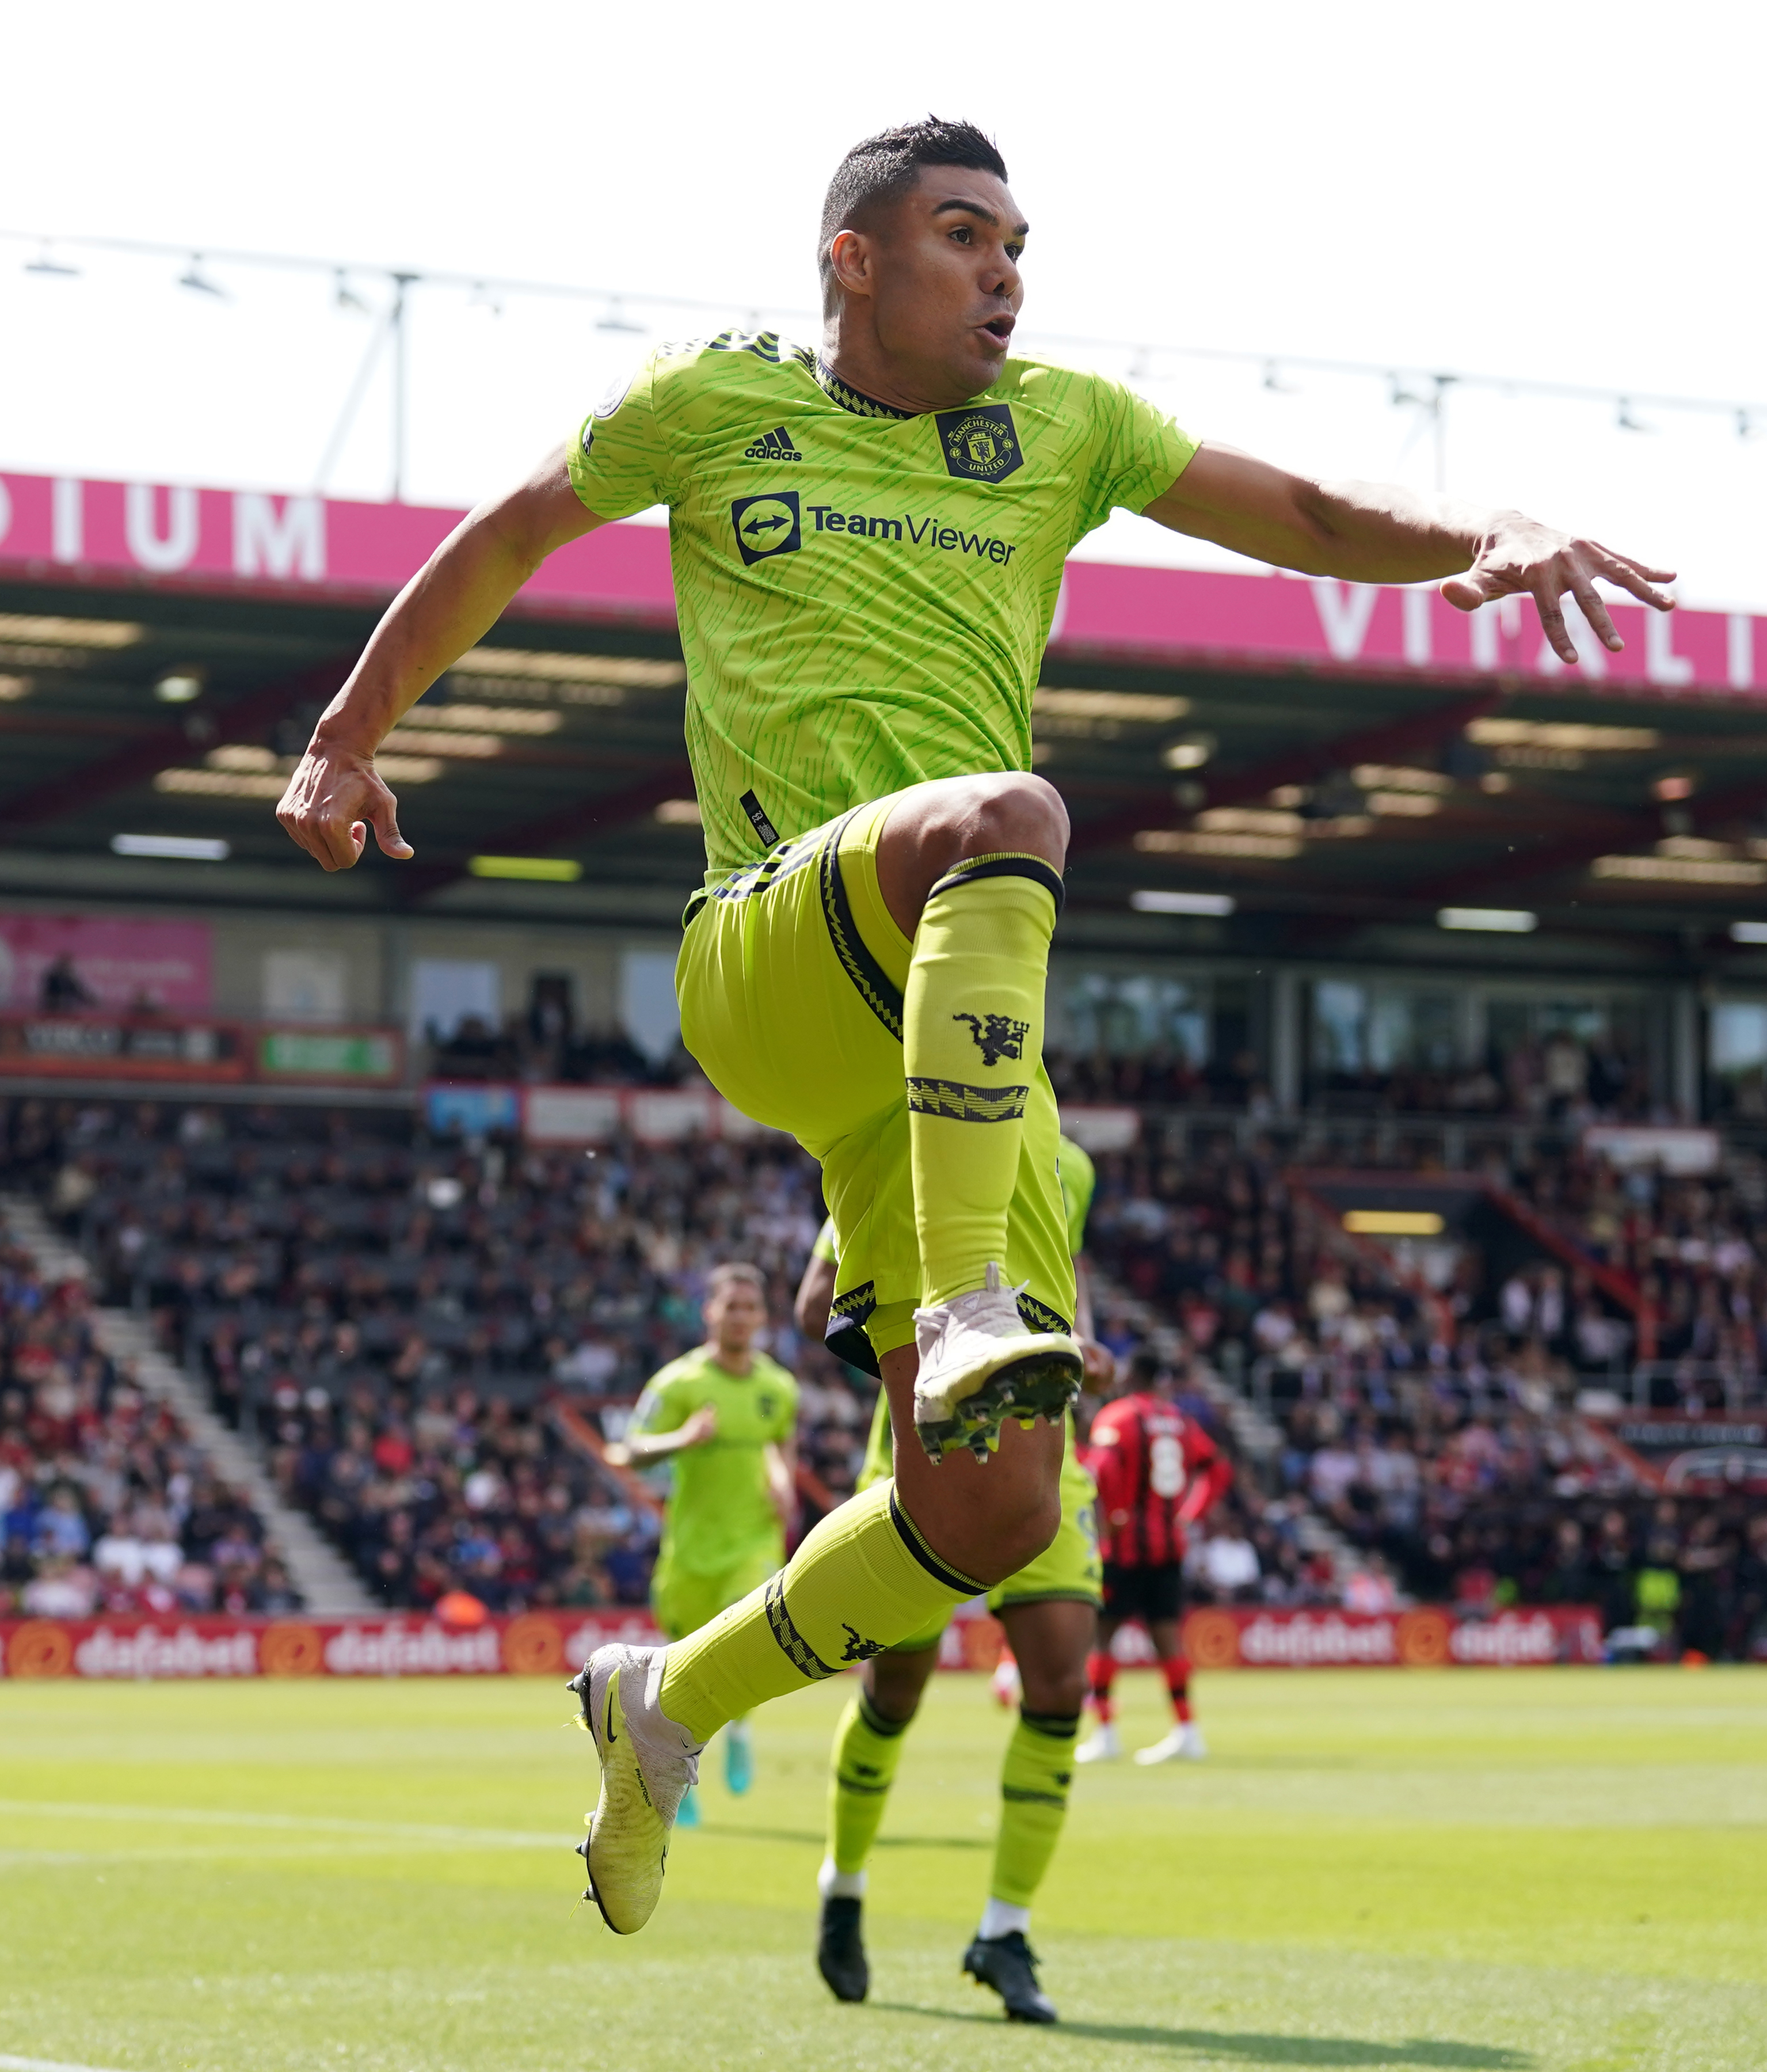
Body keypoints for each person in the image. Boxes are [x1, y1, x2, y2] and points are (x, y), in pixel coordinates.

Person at [273, 114, 1673, 1936]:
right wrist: (346, 727)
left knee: (998, 1514)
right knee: (1004, 812)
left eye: (1018, 244)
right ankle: (949, 1303)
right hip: (766, 945)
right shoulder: (709, 398)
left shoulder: (1066, 430)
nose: (1004, 272)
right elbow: (507, 532)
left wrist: (1485, 523)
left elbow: (1311, 519)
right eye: (961, 236)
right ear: (851, 256)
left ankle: (664, 1700)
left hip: (936, 1038)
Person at [795, 1133, 1106, 2022]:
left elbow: (1056, 1276)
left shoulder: (1071, 1165)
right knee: (894, 1691)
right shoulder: (895, 1137)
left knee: (1058, 1686)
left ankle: (1003, 1931)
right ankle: (843, 1884)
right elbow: (814, 1301)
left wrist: (1070, 1344)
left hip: (1044, 1447)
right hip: (920, 1446)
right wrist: (934, 1351)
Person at [603, 1263, 798, 1823]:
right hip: (691, 1549)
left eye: (750, 1306)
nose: (740, 1316)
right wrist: (683, 1438)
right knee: (680, 1672)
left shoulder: (777, 1387)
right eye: (729, 1306)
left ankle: (740, 1729)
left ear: (762, 1316)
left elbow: (782, 1448)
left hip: (752, 1541)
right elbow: (628, 1450)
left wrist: (783, 1480)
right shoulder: (678, 1383)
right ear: (709, 1312)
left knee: (749, 1640)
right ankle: (681, 1776)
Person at [1079, 1347, 1232, 1766]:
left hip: (1125, 1546)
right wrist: (1188, 1515)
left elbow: (1102, 1471)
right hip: (1169, 1545)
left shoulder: (1118, 1417)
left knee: (1102, 1637)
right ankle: (1187, 1731)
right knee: (1167, 1641)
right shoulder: (1180, 1421)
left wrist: (1107, 1520)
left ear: (1130, 1378)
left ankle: (1106, 1732)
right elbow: (1218, 1469)